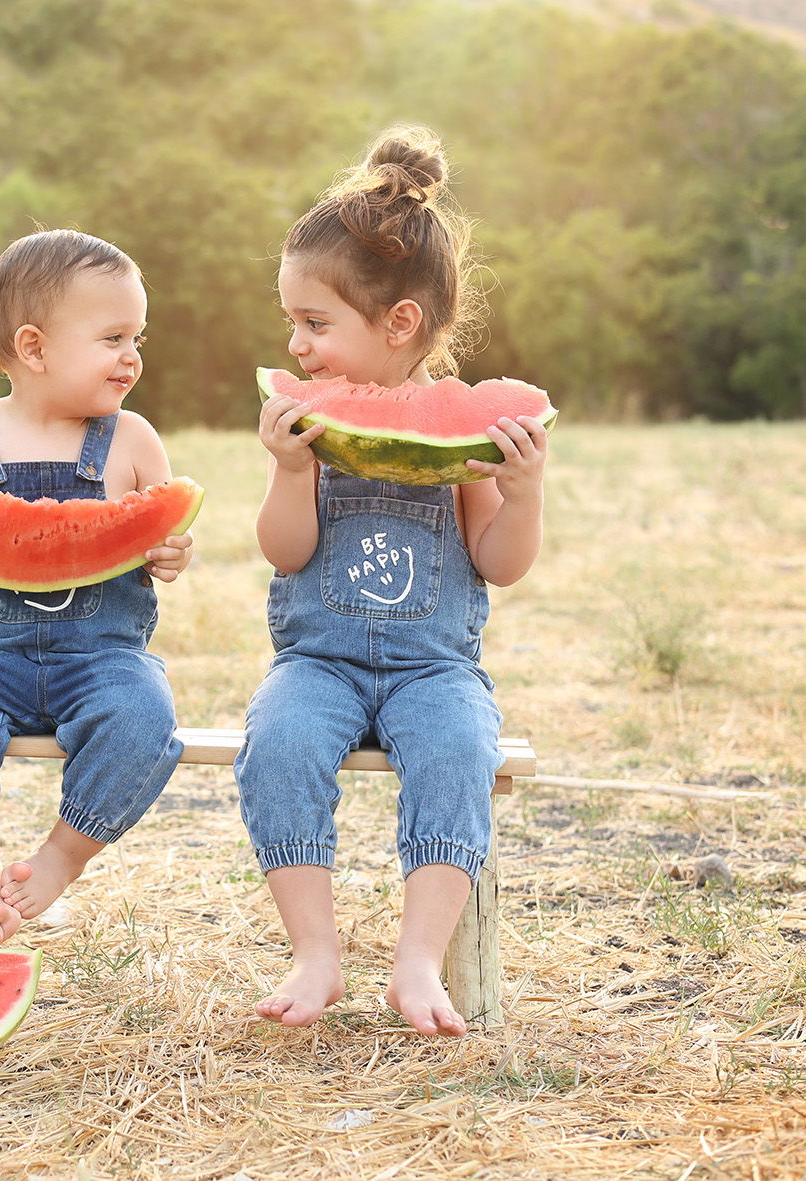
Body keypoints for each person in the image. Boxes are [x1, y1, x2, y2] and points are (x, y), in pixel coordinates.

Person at [236, 127, 548, 1036]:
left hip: (434, 670)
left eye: (316, 324)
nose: (296, 345)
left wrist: (521, 491)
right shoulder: (305, 428)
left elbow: (502, 562)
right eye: (291, 323)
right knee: (278, 743)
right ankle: (316, 951)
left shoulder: (464, 439)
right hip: (319, 662)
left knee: (460, 751)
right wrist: (291, 474)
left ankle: (419, 961)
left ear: (399, 323)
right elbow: (284, 553)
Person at [0, 229, 194, 948]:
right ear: (34, 347)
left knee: (146, 720)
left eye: (137, 337)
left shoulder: (133, 440)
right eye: (113, 336)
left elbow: (160, 547)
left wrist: (168, 553)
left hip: (105, 658)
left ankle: (62, 856)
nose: (132, 356)